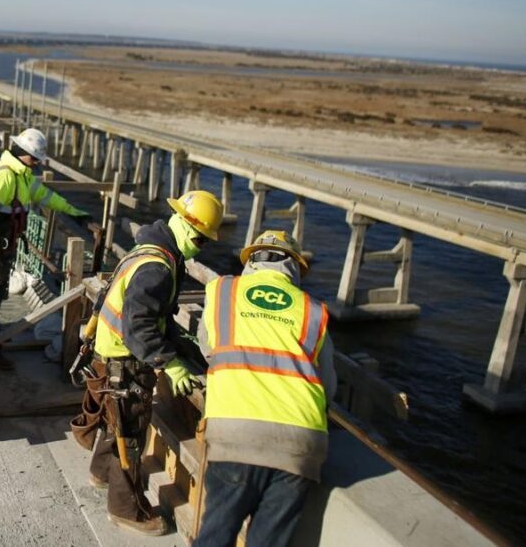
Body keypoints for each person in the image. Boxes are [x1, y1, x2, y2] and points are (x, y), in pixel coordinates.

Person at [76, 190, 224, 536]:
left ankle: (100, 474)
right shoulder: (158, 267)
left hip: (107, 354)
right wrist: (169, 363)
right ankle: (126, 510)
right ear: (188, 229)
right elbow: (140, 326)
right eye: (202, 240)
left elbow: (152, 314)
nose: (201, 247)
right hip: (123, 364)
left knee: (114, 424)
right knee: (128, 436)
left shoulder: (149, 250)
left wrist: (178, 346)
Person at [195, 230, 337, 547]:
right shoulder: (313, 310)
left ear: (251, 260)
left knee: (216, 534)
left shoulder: (223, 292)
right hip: (299, 445)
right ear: (295, 267)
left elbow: (209, 348)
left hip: (234, 434)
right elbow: (328, 386)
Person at [0, 128, 89, 370]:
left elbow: (44, 195)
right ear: (22, 153)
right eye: (34, 159)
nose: (36, 164)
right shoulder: (5, 176)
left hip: (5, 247)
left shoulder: (22, 176)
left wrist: (71, 210)